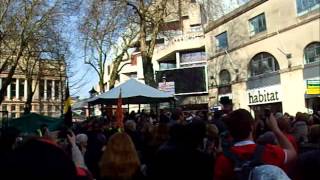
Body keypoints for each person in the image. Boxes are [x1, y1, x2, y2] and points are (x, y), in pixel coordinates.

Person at [214, 109, 297, 180]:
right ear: (252, 127)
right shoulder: (269, 152)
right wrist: (276, 129)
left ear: (230, 131)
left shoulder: (223, 160)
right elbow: (292, 153)